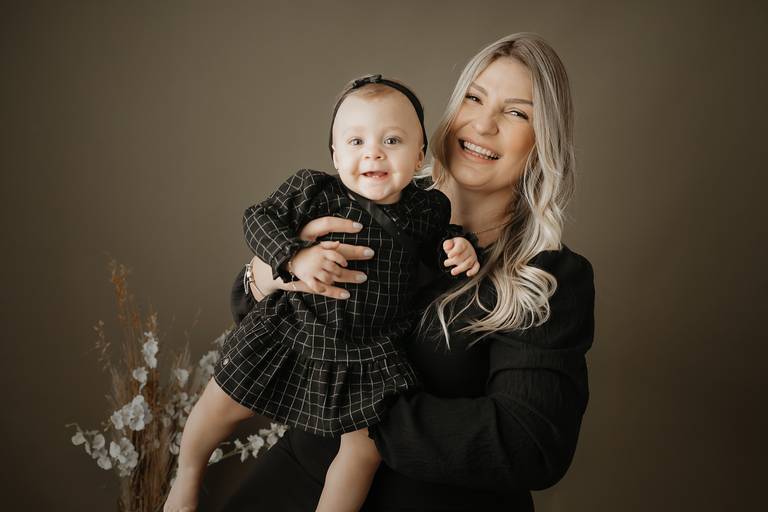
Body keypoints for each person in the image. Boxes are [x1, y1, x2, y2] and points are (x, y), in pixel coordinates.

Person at [221, 32, 595, 512]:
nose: (483, 124)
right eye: (474, 98)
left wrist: (358, 406)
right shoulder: (380, 199)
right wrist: (273, 269)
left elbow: (529, 444)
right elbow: (252, 309)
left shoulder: (550, 276)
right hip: (300, 474)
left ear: (544, 143)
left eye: (517, 113)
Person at [164, 75, 480, 512]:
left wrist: (458, 247)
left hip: (369, 347)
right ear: (334, 154)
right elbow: (257, 218)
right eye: (355, 141)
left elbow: (438, 248)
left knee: (365, 450)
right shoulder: (313, 191)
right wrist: (294, 257)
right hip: (297, 324)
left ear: (420, 154)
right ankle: (186, 477)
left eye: (392, 140)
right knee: (222, 400)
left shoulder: (427, 209)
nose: (373, 152)